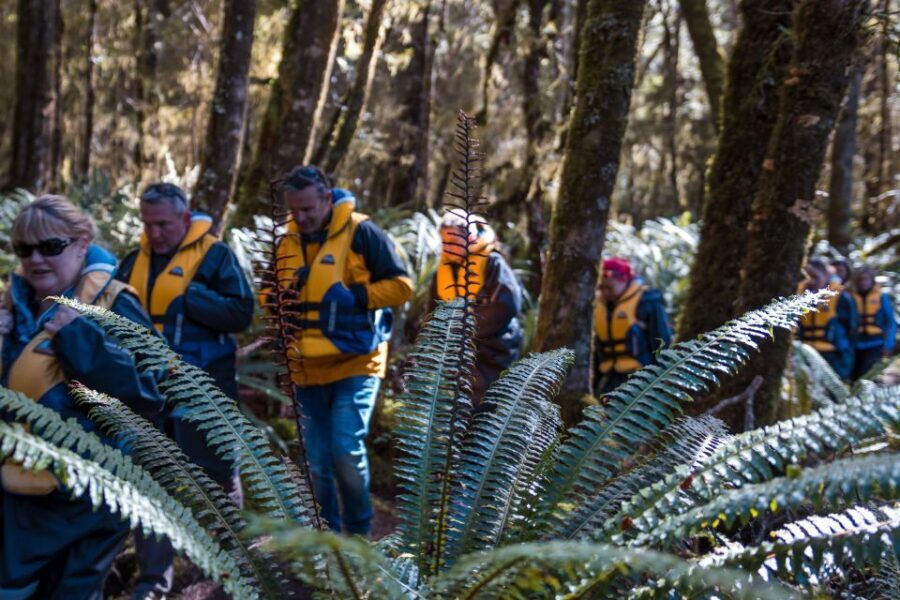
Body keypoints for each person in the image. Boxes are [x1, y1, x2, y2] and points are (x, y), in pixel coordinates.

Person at [0, 196, 164, 598]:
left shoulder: (117, 303)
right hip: (17, 494)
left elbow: (152, 388)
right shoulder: (11, 305)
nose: (35, 259)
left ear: (82, 242)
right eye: (24, 249)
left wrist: (78, 337)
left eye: (50, 247)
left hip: (88, 499)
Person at [116, 182, 254, 598]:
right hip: (147, 392)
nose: (154, 233)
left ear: (184, 217)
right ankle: (154, 581)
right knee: (149, 480)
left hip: (204, 389)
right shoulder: (132, 262)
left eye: (162, 224)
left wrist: (194, 298)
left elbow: (241, 312)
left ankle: (234, 567)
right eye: (148, 224)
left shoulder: (216, 256)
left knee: (215, 477)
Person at [268, 165, 412, 536]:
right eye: (294, 210)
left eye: (308, 209)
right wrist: (279, 300)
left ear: (327, 199)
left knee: (345, 451)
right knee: (316, 460)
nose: (300, 217)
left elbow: (401, 286)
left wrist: (356, 297)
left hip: (356, 363)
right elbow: (267, 292)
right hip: (305, 368)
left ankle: (360, 536)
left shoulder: (363, 232)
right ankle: (325, 536)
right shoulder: (285, 241)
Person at [430, 211, 523, 401]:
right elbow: (431, 312)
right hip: (457, 359)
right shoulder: (443, 271)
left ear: (470, 238)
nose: (448, 248)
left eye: (454, 242)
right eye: (444, 243)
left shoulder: (493, 263)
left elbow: (507, 305)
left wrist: (465, 330)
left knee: (485, 414)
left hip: (494, 355)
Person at [594, 257, 673, 396]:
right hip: (608, 379)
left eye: (609, 287)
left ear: (623, 279)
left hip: (641, 378)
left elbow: (662, 342)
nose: (605, 292)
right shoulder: (599, 306)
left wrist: (663, 380)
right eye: (601, 287)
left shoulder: (647, 301)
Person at [797, 258, 857, 380]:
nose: (811, 281)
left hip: (833, 356)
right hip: (804, 355)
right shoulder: (797, 298)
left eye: (815, 277)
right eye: (807, 277)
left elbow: (852, 329)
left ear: (826, 275)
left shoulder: (841, 297)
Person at [849, 264, 896, 380]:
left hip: (876, 344)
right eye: (859, 279)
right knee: (854, 376)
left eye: (866, 279)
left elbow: (891, 323)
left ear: (871, 280)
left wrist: (888, 345)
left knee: (867, 375)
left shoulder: (881, 297)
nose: (863, 282)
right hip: (855, 344)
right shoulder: (850, 297)